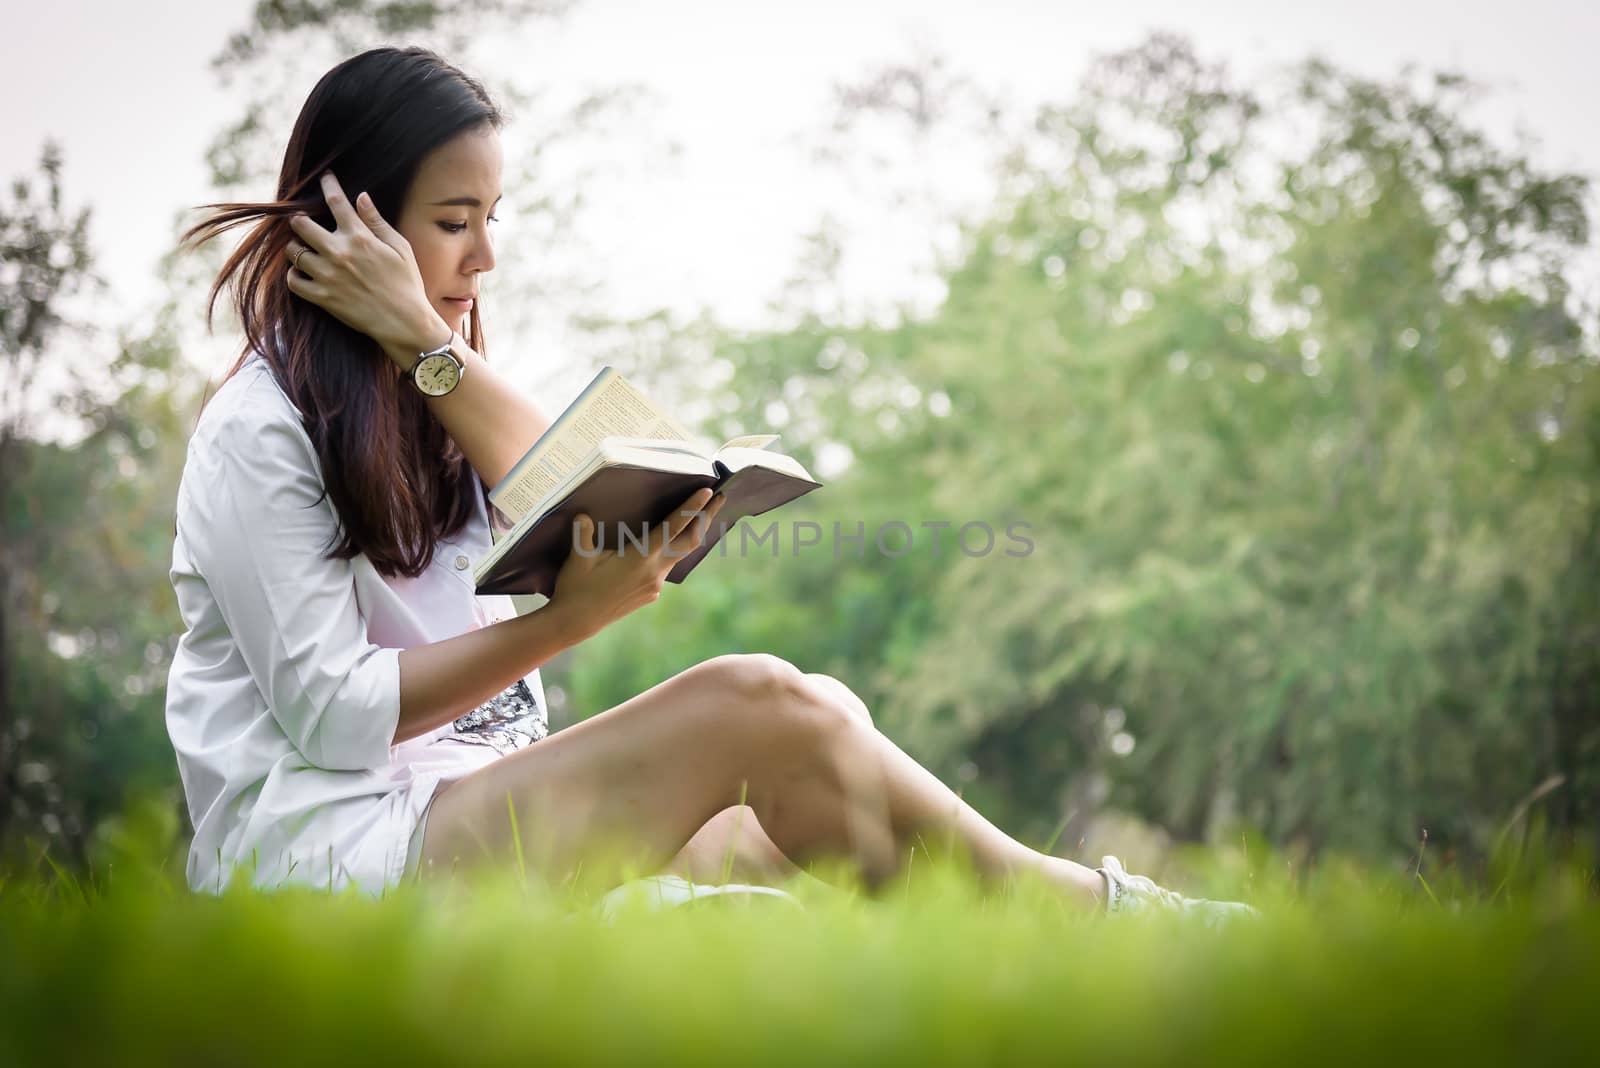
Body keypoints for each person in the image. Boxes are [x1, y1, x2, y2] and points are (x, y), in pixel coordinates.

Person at [166, 45, 1250, 923]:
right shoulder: (258, 433)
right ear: (351, 224)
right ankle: (1105, 922)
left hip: (455, 811)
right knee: (759, 705)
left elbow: (577, 483)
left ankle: (1031, 982)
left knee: (821, 765)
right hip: (336, 869)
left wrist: (423, 346)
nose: (484, 260)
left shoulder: (427, 396)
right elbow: (333, 721)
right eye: (454, 224)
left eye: (493, 220)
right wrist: (561, 625)